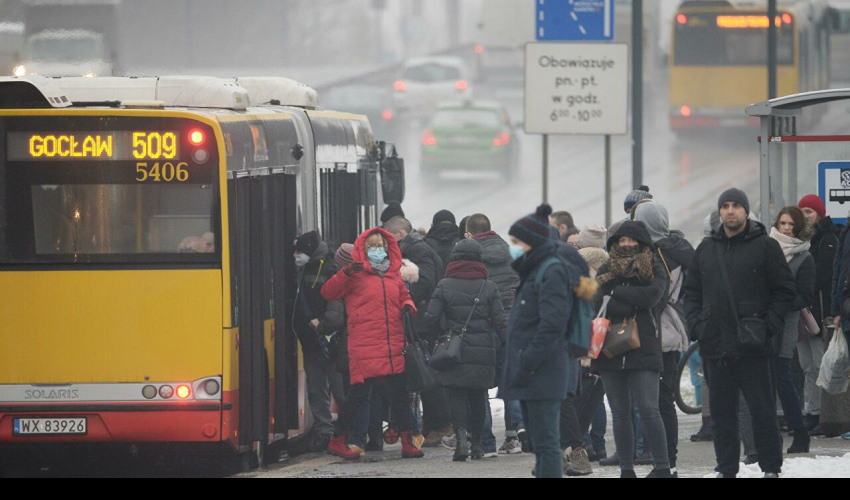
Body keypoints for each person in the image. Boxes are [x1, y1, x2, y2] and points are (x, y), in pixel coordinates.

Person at [684, 188, 796, 479]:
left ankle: (770, 467)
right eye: (725, 206)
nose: (730, 211)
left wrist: (768, 326)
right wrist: (698, 326)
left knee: (762, 411)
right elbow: (691, 292)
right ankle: (726, 468)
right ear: (720, 212)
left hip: (754, 345)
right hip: (715, 345)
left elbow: (784, 291)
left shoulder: (765, 247)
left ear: (746, 211)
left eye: (736, 206)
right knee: (722, 415)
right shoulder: (706, 249)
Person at [321, 228, 424, 460]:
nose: (377, 251)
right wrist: (346, 272)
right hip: (366, 346)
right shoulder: (353, 275)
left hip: (393, 345)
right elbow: (328, 292)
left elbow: (402, 296)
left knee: (399, 395)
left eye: (381, 247)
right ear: (363, 250)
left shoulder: (393, 273)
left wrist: (409, 305)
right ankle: (338, 439)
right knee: (358, 396)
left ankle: (409, 441)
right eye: (372, 247)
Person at [592, 221, 671, 479]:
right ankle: (627, 468)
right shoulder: (606, 268)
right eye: (621, 240)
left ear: (642, 242)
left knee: (649, 409)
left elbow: (651, 297)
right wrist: (627, 305)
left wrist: (614, 294)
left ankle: (662, 467)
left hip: (644, 347)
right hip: (610, 350)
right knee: (620, 413)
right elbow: (596, 301)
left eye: (631, 240)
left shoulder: (655, 267)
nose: (626, 245)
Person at [501, 204, 576, 479]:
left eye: (516, 242)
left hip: (542, 371)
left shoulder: (551, 270)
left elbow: (552, 325)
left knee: (547, 444)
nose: (513, 247)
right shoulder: (534, 269)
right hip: (532, 372)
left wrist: (529, 360)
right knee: (539, 444)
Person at [426, 239, 508, 462]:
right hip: (483, 349)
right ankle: (478, 445)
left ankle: (461, 441)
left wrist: (441, 333)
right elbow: (500, 321)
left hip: (454, 349)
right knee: (479, 395)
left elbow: (431, 318)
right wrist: (509, 344)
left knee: (456, 394)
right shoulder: (488, 286)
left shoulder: (444, 284)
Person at [633, 202, 695, 476]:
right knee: (664, 399)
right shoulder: (679, 248)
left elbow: (653, 296)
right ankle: (668, 461)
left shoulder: (656, 254)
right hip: (674, 329)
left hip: (657, 330)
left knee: (657, 401)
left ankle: (666, 461)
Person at [384, 216, 453, 446]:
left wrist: (400, 299)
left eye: (390, 239)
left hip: (423, 323)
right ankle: (434, 425)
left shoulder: (418, 250)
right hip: (421, 321)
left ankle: (442, 424)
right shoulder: (416, 248)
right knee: (424, 373)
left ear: (401, 235)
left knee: (425, 373)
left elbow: (425, 283)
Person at [467, 213, 526, 455]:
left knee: (480, 384)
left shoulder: (471, 256)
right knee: (509, 379)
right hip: (512, 323)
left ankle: (486, 442)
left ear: (470, 234)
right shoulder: (511, 252)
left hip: (483, 326)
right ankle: (515, 433)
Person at [292, 231, 345, 452]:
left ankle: (347, 430)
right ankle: (325, 431)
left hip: (329, 340)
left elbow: (336, 305)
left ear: (310, 252)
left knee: (339, 389)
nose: (296, 257)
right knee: (315, 388)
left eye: (300, 252)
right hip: (310, 341)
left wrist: (323, 325)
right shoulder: (303, 269)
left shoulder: (330, 268)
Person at [770, 206, 815, 454]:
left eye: (791, 225)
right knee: (764, 381)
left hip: (786, 324)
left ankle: (800, 432)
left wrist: (782, 304)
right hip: (762, 323)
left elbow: (805, 296)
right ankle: (767, 434)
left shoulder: (804, 257)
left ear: (799, 228)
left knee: (782, 379)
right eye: (783, 223)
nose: (786, 228)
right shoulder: (767, 248)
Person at [798, 195, 840, 433]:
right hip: (802, 312)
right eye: (802, 211)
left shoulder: (828, 239)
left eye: (810, 211)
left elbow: (823, 274)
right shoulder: (800, 239)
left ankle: (820, 415)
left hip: (818, 312)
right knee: (806, 366)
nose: (806, 216)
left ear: (819, 214)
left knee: (818, 364)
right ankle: (810, 412)